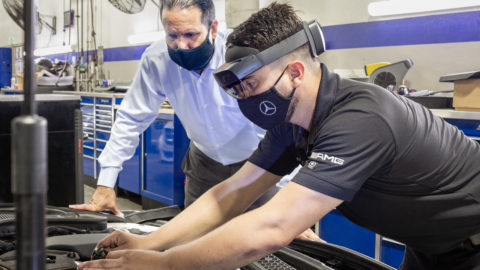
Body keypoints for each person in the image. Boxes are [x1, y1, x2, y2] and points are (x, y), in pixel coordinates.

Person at [78, 3, 480, 270]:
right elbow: (229, 194)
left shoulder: (360, 118)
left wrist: (163, 265)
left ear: (295, 73)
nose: (244, 99)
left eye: (251, 85)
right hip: (428, 244)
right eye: (236, 90)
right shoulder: (292, 122)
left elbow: (270, 229)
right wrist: (152, 243)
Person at [69, 0, 282, 216]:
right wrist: (106, 183)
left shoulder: (243, 55)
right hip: (203, 166)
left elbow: (283, 120)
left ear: (213, 28)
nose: (181, 45)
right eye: (172, 35)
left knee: (267, 236)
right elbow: (131, 119)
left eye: (190, 35)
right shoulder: (157, 59)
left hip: (258, 163)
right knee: (196, 240)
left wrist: (288, 192)